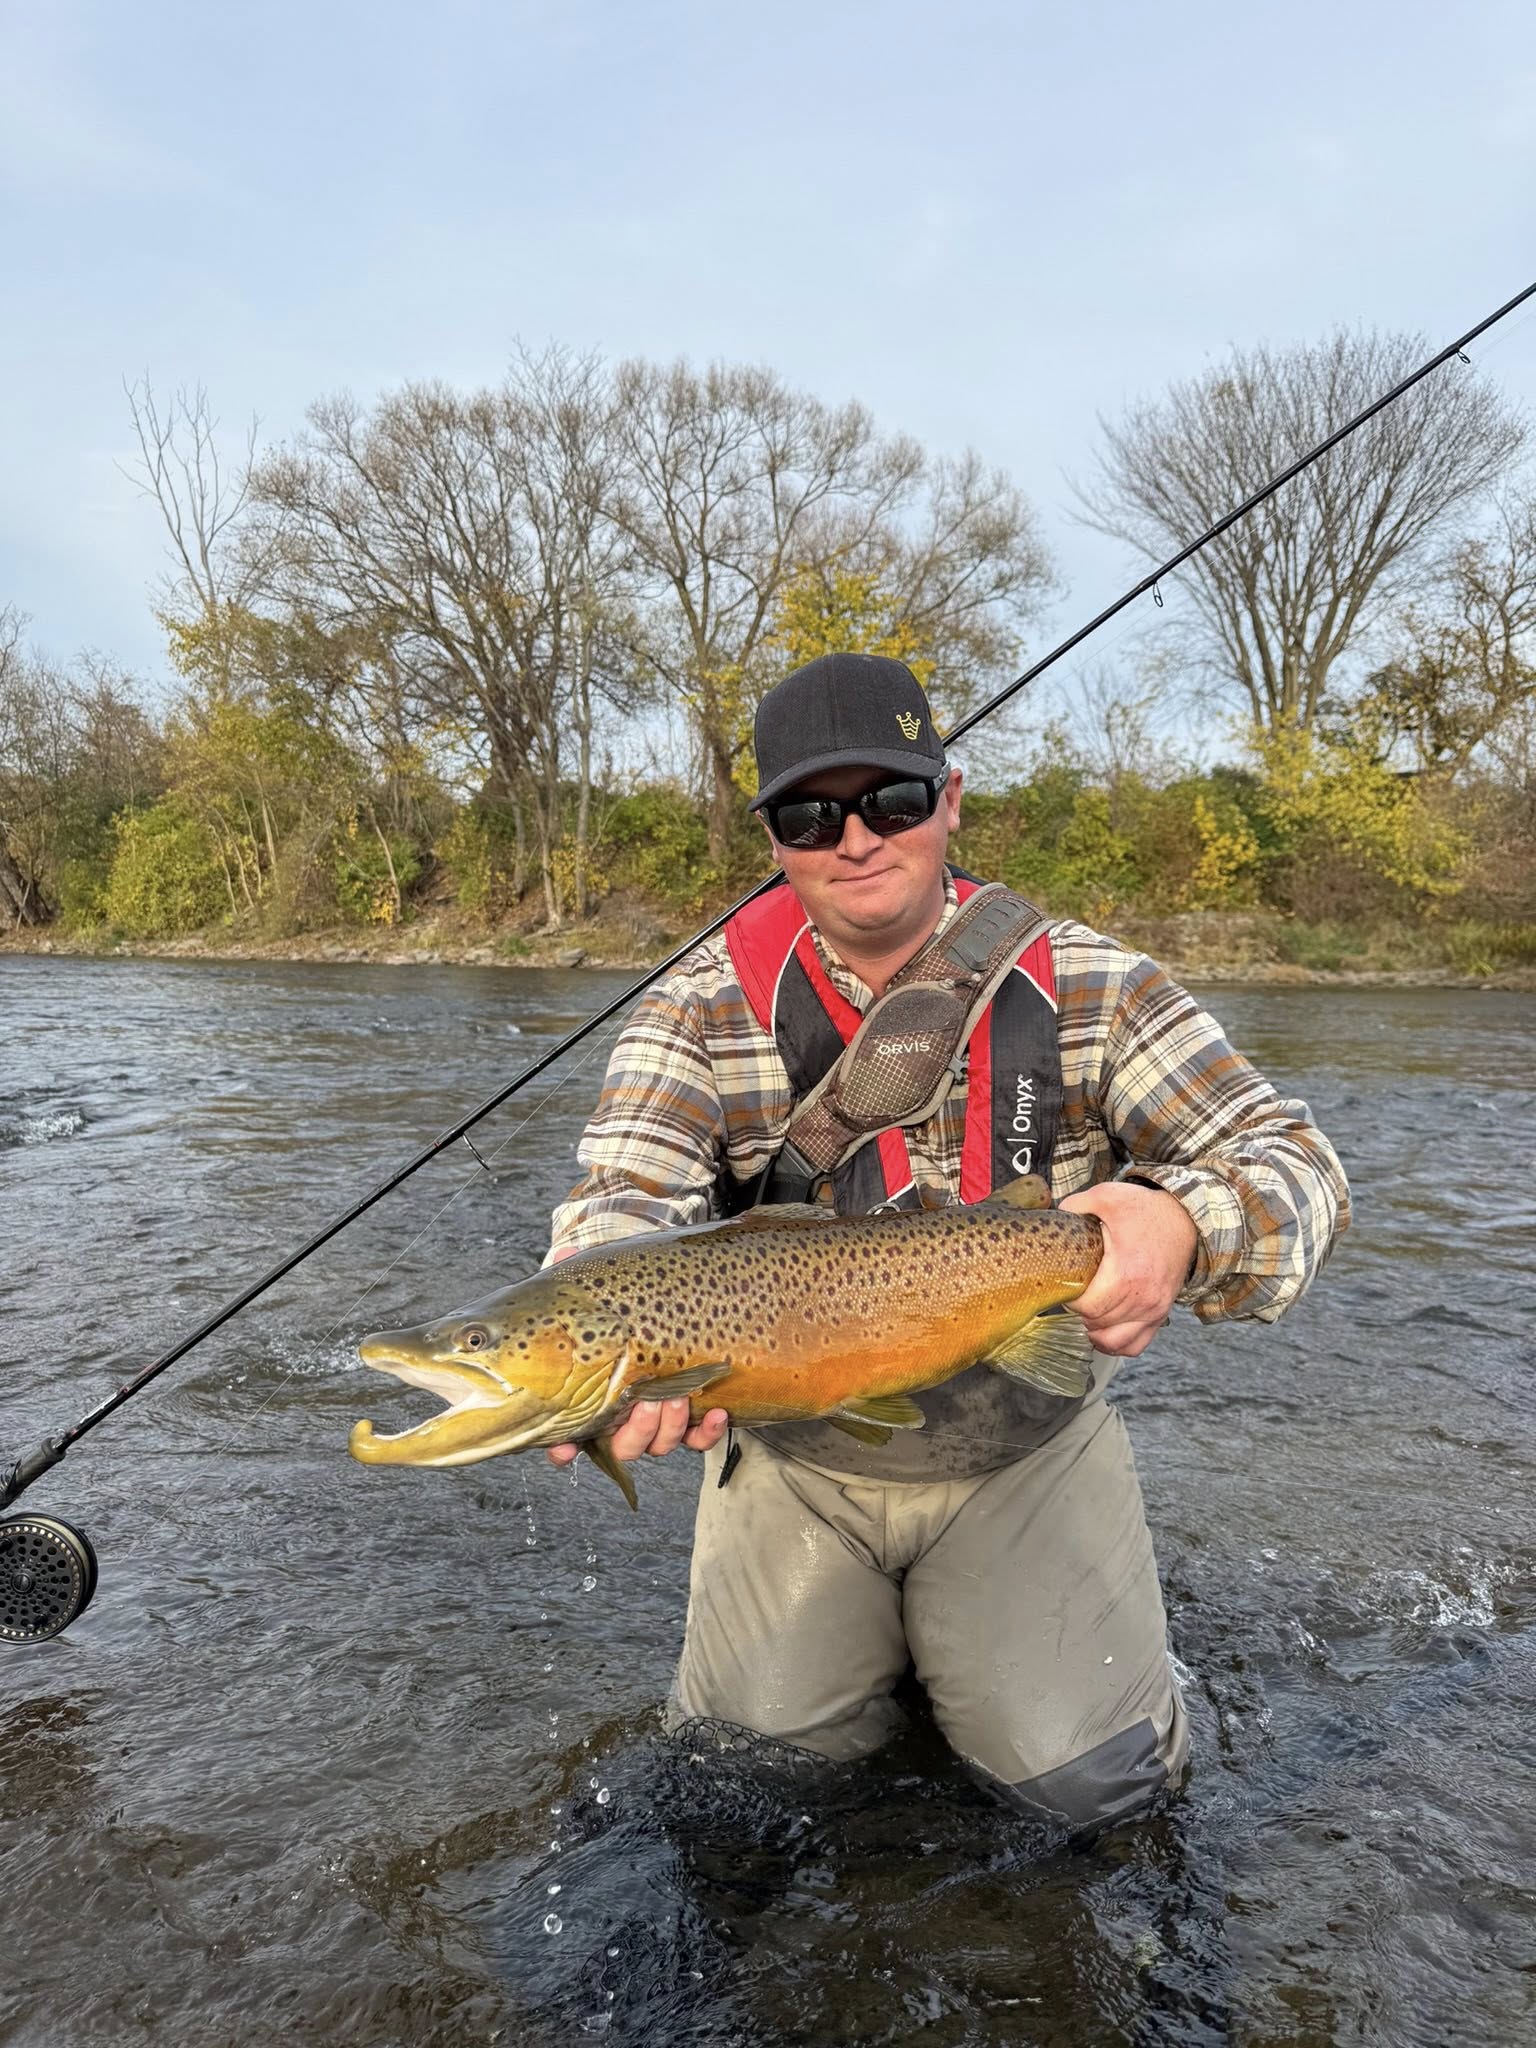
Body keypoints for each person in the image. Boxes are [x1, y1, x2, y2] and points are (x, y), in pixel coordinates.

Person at [544, 652, 1349, 1829]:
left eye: (894, 800)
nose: (856, 838)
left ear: (951, 800)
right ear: (773, 837)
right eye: (813, 814)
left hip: (1023, 1444)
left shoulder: (1090, 981)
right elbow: (623, 1196)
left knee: (1094, 1798)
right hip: (798, 1458)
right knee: (742, 1791)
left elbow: (1300, 1164)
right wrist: (608, 1337)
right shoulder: (700, 1002)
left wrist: (1181, 1220)